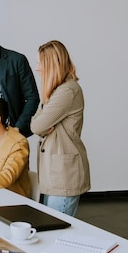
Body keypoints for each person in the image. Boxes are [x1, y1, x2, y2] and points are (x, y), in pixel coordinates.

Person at [30, 40, 90, 216]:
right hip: (55, 174)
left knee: (56, 229)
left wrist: (42, 120)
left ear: (50, 65)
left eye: (40, 63)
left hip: (63, 177)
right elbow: (39, 125)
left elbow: (36, 125)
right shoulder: (58, 91)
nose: (37, 68)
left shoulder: (66, 91)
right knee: (51, 226)